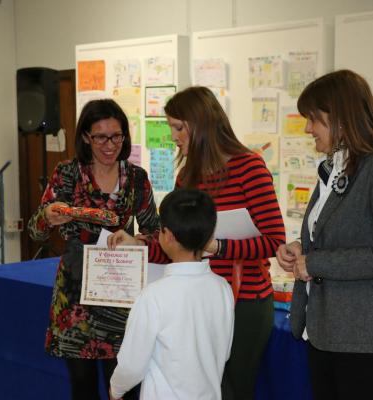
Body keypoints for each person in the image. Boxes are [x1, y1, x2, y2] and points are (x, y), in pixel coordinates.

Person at [109, 86, 286, 400]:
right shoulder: (187, 175)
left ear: (201, 124)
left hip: (243, 300)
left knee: (233, 389)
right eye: (170, 128)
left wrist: (217, 248)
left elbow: (273, 241)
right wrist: (138, 245)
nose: (174, 137)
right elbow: (175, 240)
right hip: (196, 300)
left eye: (178, 128)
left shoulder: (250, 168)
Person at [275, 69, 373, 400]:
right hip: (325, 332)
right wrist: (301, 248)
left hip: (365, 338)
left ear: (340, 116)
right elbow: (337, 235)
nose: (308, 128)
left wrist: (316, 263)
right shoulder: (334, 167)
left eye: (314, 118)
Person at [27, 99, 160, 400]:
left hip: (121, 294)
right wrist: (48, 217)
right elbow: (35, 232)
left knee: (123, 388)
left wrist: (136, 240)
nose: (110, 144)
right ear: (86, 136)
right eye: (101, 137)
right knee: (82, 389)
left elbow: (156, 232)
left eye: (117, 136)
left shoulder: (137, 178)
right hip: (75, 299)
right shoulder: (66, 174)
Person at [108, 188, 235, 400]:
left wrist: (116, 389)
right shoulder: (223, 288)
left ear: (168, 237)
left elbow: (132, 364)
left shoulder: (153, 296)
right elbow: (224, 352)